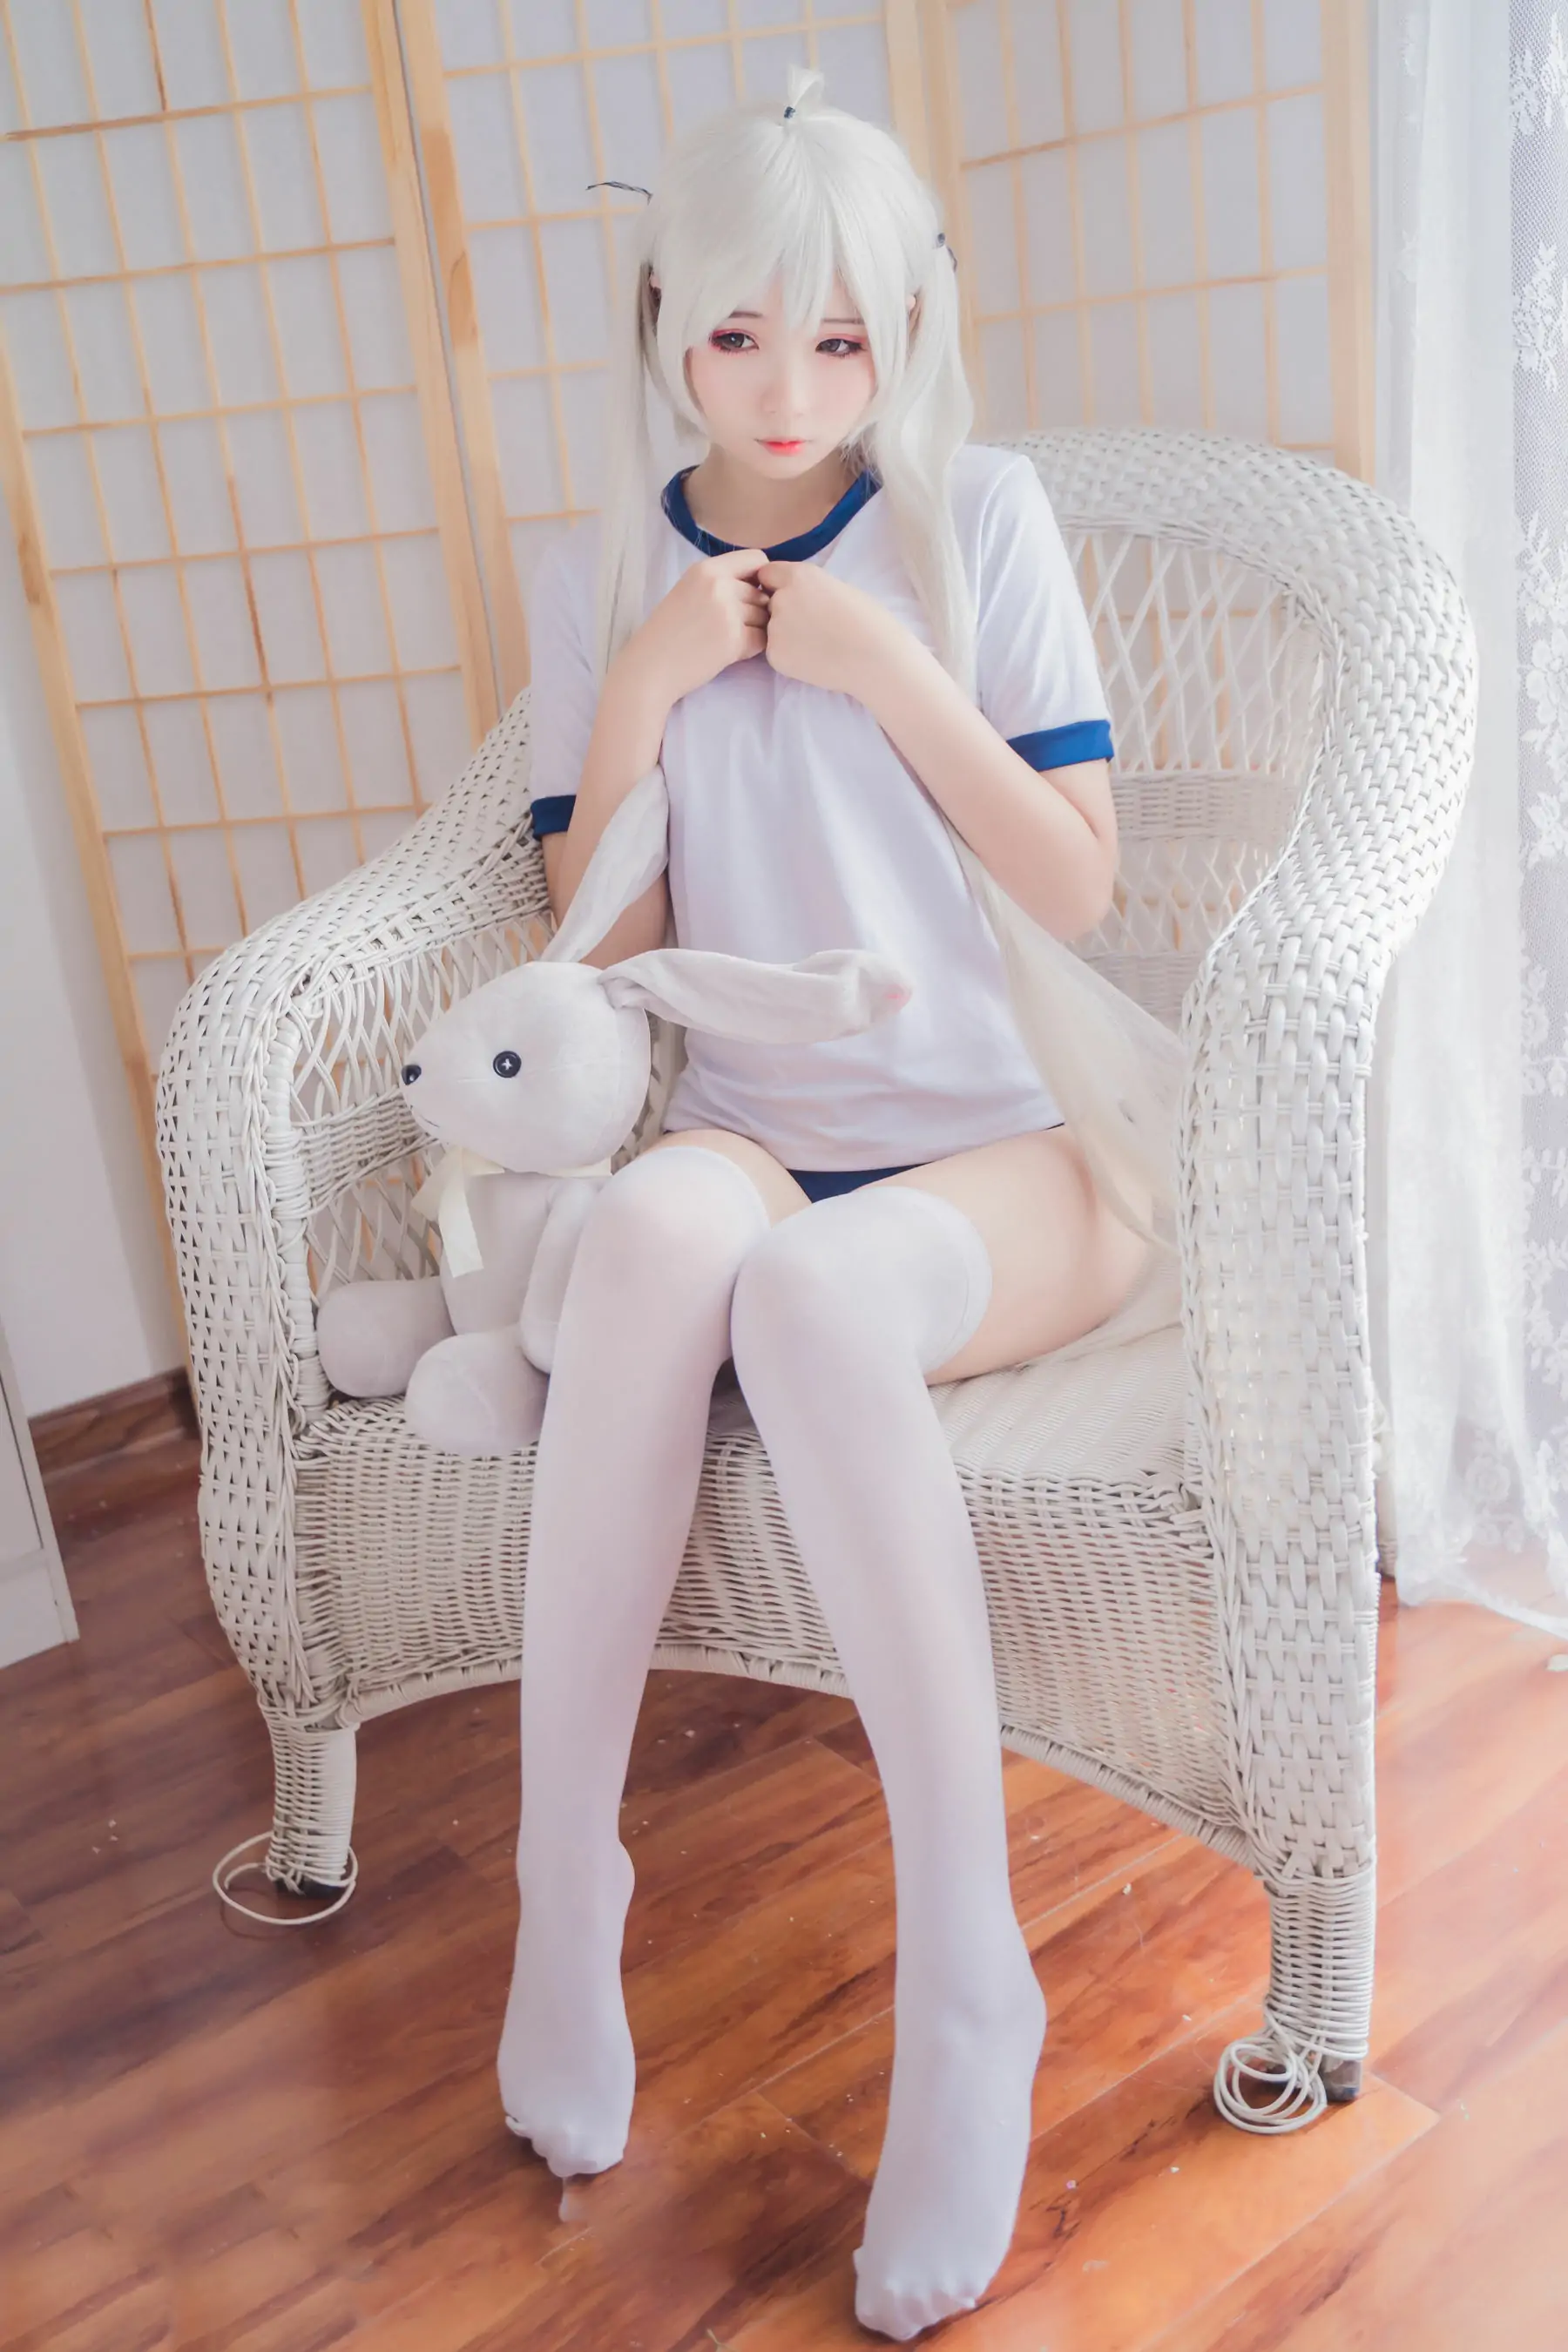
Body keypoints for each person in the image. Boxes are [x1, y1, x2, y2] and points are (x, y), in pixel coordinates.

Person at [498, 64, 1179, 2342]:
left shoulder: (976, 518)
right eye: (737, 335)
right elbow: (594, 962)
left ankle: (971, 1972)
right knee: (654, 1239)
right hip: (758, 1122)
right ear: (663, 323)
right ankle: (564, 1892)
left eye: (844, 338)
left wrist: (885, 670)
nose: (790, 388)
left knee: (805, 1296)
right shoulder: (608, 572)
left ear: (908, 332)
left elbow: (1080, 885)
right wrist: (645, 679)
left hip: (1024, 1144)